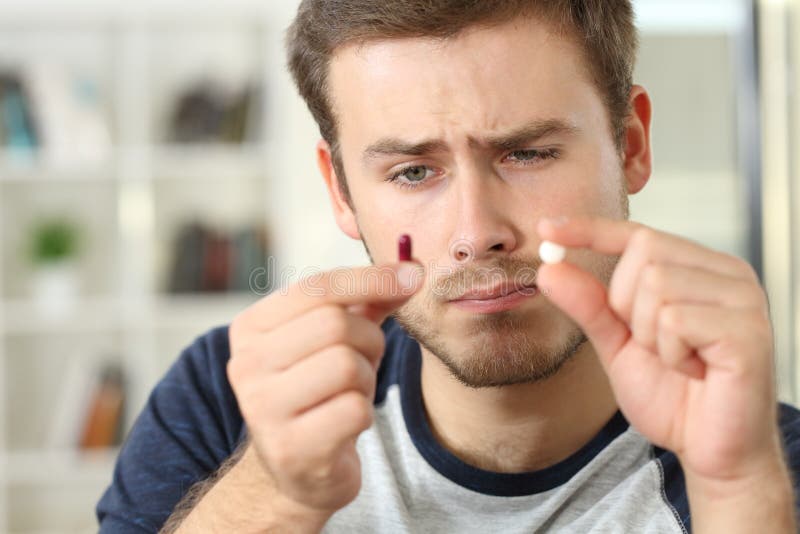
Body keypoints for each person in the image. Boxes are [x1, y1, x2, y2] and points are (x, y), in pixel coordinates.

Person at [96, 1, 800, 532]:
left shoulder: (762, 463)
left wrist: (737, 490)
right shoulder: (228, 402)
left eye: (526, 153)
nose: (476, 233)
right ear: (340, 191)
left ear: (633, 146)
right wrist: (277, 493)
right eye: (411, 171)